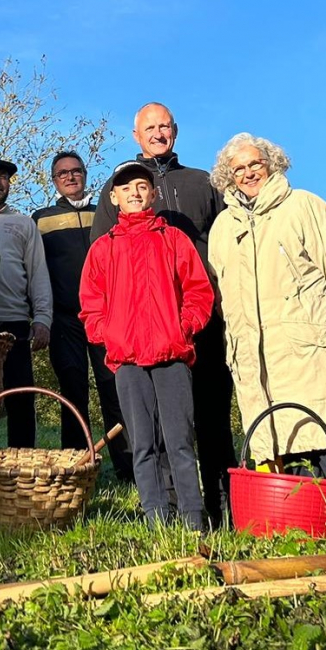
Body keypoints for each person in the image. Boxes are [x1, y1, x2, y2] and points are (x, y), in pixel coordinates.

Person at [207, 134, 326, 511]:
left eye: (255, 164)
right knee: (281, 443)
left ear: (272, 164)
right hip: (255, 360)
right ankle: (302, 524)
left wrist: (320, 328)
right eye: (238, 169)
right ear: (227, 177)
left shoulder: (304, 206)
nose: (248, 173)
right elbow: (222, 295)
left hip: (308, 351)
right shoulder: (222, 228)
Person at [91, 102, 236, 526]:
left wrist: (187, 323)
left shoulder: (200, 185)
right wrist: (111, 333)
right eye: (149, 127)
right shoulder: (110, 220)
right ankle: (162, 513)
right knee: (147, 436)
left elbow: (212, 260)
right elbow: (95, 288)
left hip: (191, 333)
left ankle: (214, 508)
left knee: (200, 424)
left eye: (164, 126)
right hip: (132, 346)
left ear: (175, 130)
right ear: (136, 135)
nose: (158, 132)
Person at [80, 161, 214, 530]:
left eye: (141, 186)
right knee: (142, 445)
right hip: (127, 360)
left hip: (172, 355)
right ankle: (156, 518)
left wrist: (183, 328)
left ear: (152, 193)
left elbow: (199, 292)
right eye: (125, 188)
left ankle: (193, 519)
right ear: (113, 198)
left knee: (181, 442)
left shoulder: (174, 239)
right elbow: (90, 304)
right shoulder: (103, 249)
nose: (134, 193)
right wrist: (110, 335)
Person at [33, 152, 133, 481]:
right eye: (63, 173)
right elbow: (36, 271)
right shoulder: (41, 218)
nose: (71, 177)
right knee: (72, 392)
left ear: (86, 174)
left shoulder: (106, 212)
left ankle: (128, 466)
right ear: (54, 180)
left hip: (108, 316)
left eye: (76, 171)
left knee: (114, 388)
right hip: (65, 319)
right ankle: (75, 467)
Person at [0, 158, 52, 448]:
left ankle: (21, 465)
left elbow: (38, 273)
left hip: (14, 321)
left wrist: (42, 318)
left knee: (21, 399)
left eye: (3, 176)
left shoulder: (22, 223)